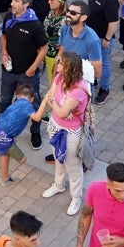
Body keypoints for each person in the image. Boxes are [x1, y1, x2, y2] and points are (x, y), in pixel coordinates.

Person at [35, 50, 91, 216]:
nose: (57, 64)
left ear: (69, 68)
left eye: (60, 63)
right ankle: (58, 185)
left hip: (71, 132)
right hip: (55, 126)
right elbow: (52, 97)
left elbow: (59, 110)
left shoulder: (79, 90)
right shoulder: (60, 78)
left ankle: (76, 197)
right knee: (58, 158)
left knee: (72, 165)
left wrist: (53, 105)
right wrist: (54, 105)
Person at [0, 0, 48, 147]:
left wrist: (33, 68)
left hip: (28, 73)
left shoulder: (35, 25)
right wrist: (4, 52)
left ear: (26, 4)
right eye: (12, 0)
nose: (12, 4)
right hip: (8, 70)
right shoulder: (8, 17)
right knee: (5, 100)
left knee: (33, 103)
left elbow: (44, 48)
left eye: (16, 1)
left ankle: (35, 131)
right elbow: (4, 36)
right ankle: (4, 127)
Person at [0, 83, 35, 184]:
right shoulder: (27, 105)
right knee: (22, 159)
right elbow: (36, 117)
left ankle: (5, 178)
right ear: (32, 99)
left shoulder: (17, 102)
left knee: (5, 154)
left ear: (17, 95)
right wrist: (45, 102)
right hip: (4, 137)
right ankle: (5, 179)